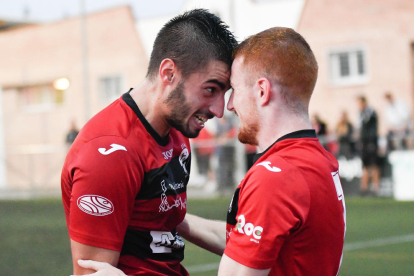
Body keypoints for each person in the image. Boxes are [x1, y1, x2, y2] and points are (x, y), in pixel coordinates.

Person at [79, 27, 346, 276]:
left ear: (262, 91)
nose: (227, 106)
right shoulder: (321, 163)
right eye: (213, 90)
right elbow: (250, 239)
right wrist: (166, 215)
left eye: (234, 90)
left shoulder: (275, 177)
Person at [61, 9, 237, 276]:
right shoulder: (109, 153)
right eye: (210, 89)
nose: (219, 109)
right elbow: (91, 273)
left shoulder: (178, 133)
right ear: (168, 73)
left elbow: (168, 220)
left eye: (224, 93)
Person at [357, 96, 380, 196]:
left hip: (371, 143)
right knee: (365, 166)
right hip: (364, 144)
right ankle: (364, 188)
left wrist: (372, 141)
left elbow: (373, 129)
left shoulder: (370, 113)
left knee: (374, 165)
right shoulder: (361, 114)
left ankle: (375, 188)